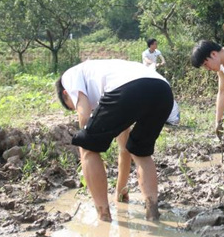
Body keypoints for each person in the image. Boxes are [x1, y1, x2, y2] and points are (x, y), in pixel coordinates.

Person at [56, 59, 173, 222]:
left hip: (129, 89)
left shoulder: (68, 77)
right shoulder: (108, 75)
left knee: (88, 147)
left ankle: (103, 216)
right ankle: (152, 212)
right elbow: (124, 149)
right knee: (140, 151)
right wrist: (121, 189)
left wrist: (85, 144)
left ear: (65, 94)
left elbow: (83, 114)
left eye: (71, 105)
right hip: (162, 90)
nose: (75, 106)